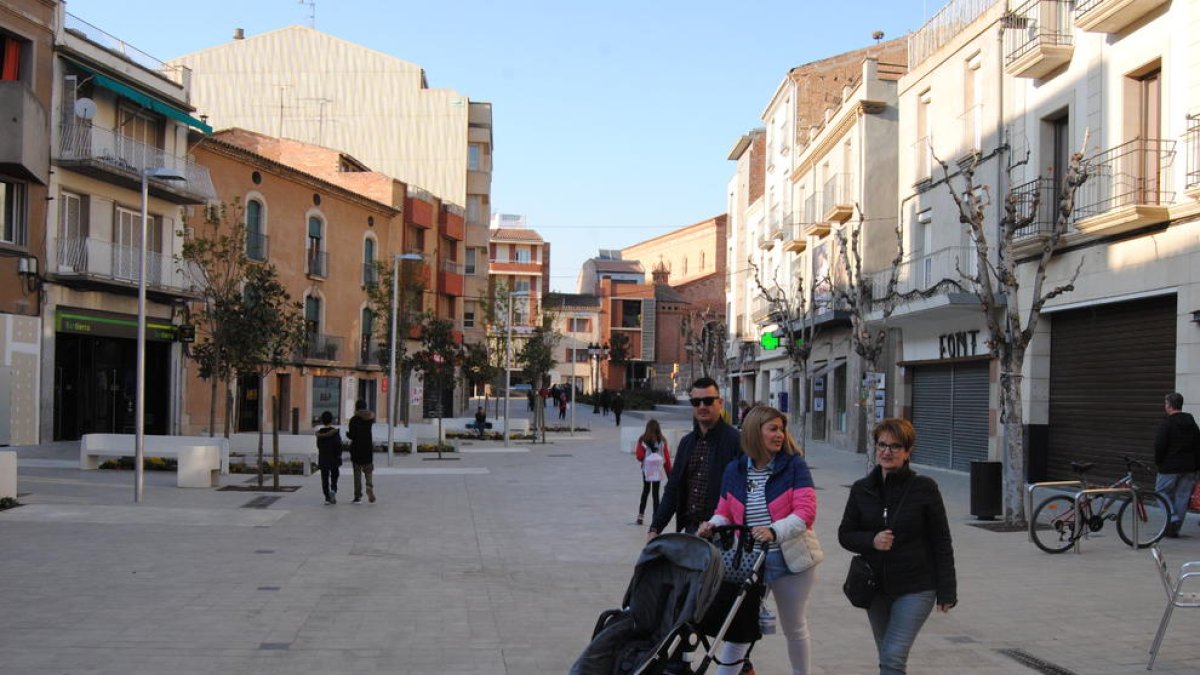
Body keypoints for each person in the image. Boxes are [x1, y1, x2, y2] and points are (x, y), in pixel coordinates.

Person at [698, 405, 821, 675]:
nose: (779, 434)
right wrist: (712, 525)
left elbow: (806, 513)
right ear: (755, 432)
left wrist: (774, 530)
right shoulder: (735, 470)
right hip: (751, 561)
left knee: (794, 626)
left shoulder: (794, 466)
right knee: (738, 628)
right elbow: (724, 511)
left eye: (781, 429)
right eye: (772, 429)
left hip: (792, 560)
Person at [838, 417, 957, 675]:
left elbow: (941, 540)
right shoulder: (862, 489)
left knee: (893, 655)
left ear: (908, 451)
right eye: (882, 445)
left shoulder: (924, 488)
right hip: (875, 587)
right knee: (887, 656)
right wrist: (871, 540)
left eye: (895, 446)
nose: (886, 451)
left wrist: (947, 590)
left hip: (916, 587)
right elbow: (845, 534)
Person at [649, 377, 742, 537]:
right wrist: (655, 528)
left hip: (723, 533)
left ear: (720, 402)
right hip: (691, 531)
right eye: (696, 402)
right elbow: (673, 488)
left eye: (707, 401)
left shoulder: (736, 441)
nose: (702, 406)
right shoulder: (687, 443)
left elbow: (744, 490)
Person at [1155, 392, 1200, 538]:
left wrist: (1159, 462)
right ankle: (1174, 529)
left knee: (1160, 492)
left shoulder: (1167, 423)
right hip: (1189, 467)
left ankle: (1172, 518)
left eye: (1166, 403)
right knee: (1182, 496)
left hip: (1169, 467)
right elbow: (1198, 445)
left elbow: (1160, 445)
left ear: (1169, 405)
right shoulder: (1191, 423)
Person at [635, 419, 672, 526]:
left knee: (645, 491)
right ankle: (656, 517)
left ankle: (640, 516)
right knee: (656, 493)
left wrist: (646, 457)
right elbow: (667, 459)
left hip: (646, 470)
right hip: (657, 470)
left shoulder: (642, 439)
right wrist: (670, 475)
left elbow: (639, 456)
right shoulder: (662, 441)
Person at [345, 400, 377, 504]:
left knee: (357, 472)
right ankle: (369, 486)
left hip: (357, 448)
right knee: (368, 469)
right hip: (367, 447)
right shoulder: (370, 419)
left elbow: (352, 435)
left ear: (356, 407)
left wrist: (347, 435)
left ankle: (357, 496)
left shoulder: (354, 419)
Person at [315, 411, 342, 505]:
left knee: (324, 477)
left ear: (323, 421)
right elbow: (338, 445)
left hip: (323, 458)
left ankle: (327, 497)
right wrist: (338, 454)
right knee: (335, 474)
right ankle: (333, 490)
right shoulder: (335, 432)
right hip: (334, 457)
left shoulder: (319, 434)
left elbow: (318, 446)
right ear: (331, 420)